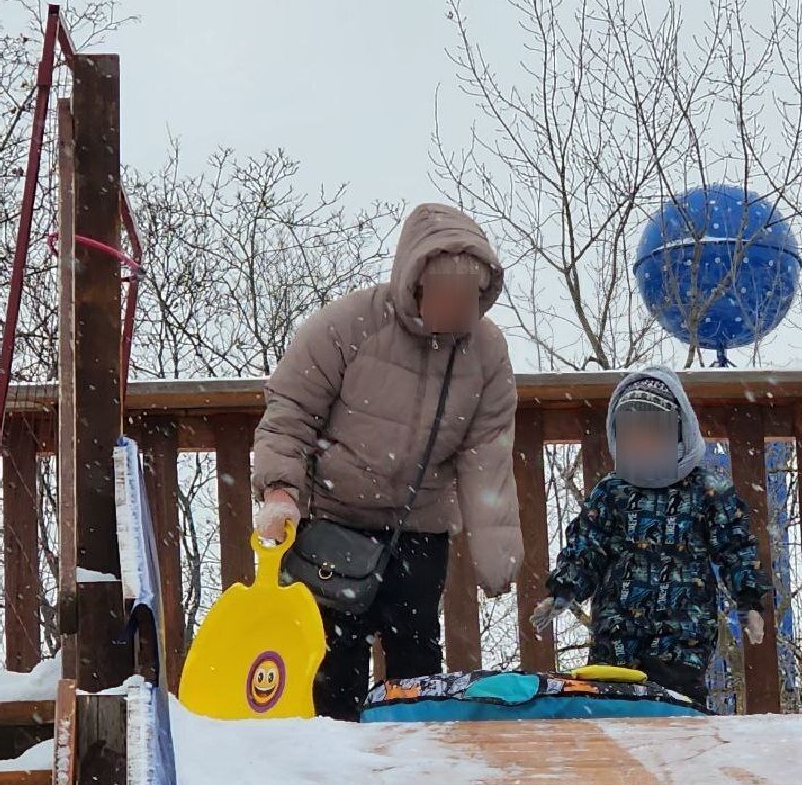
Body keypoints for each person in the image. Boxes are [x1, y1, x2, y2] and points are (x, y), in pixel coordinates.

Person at [252, 203, 522, 719]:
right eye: (447, 295)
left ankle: (417, 775)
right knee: (331, 665)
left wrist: (497, 554)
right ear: (415, 284)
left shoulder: (487, 352)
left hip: (418, 528)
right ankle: (335, 773)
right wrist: (281, 493)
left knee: (417, 664)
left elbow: (487, 454)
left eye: (469, 297)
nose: (458, 308)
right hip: (334, 521)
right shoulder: (348, 325)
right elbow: (289, 411)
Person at [531, 367, 771, 710]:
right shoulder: (611, 492)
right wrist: (563, 592)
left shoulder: (706, 489)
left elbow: (736, 545)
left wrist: (748, 600)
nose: (641, 443)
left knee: (676, 711)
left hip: (682, 636)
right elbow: (586, 548)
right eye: (631, 435)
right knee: (612, 712)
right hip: (615, 634)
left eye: (652, 433)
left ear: (679, 434)